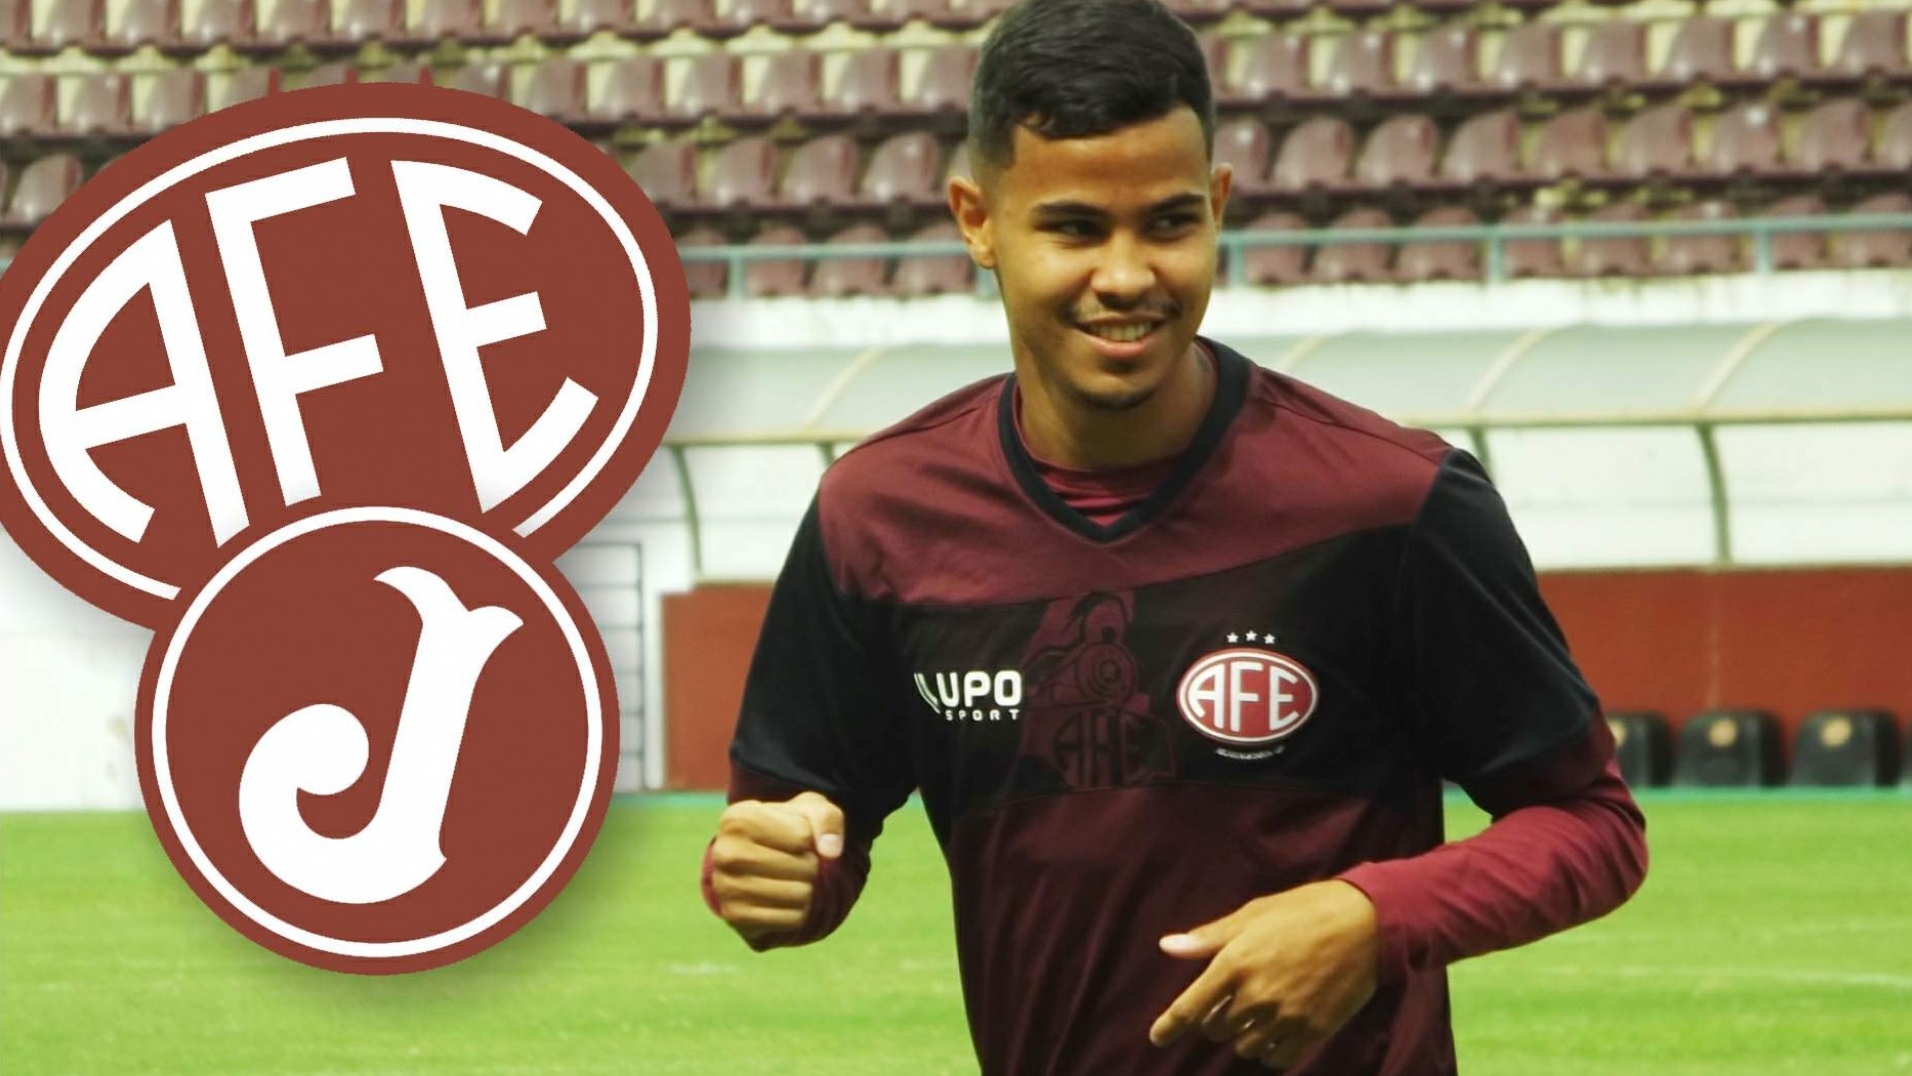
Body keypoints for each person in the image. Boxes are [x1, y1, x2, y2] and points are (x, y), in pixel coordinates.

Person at [699, 0, 1648, 1071]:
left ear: (1219, 204)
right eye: (1071, 227)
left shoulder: (1392, 503)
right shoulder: (876, 515)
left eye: (1166, 221)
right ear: (977, 220)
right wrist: (774, 870)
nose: (1126, 275)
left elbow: (1590, 824)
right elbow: (792, 835)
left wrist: (1372, 915)